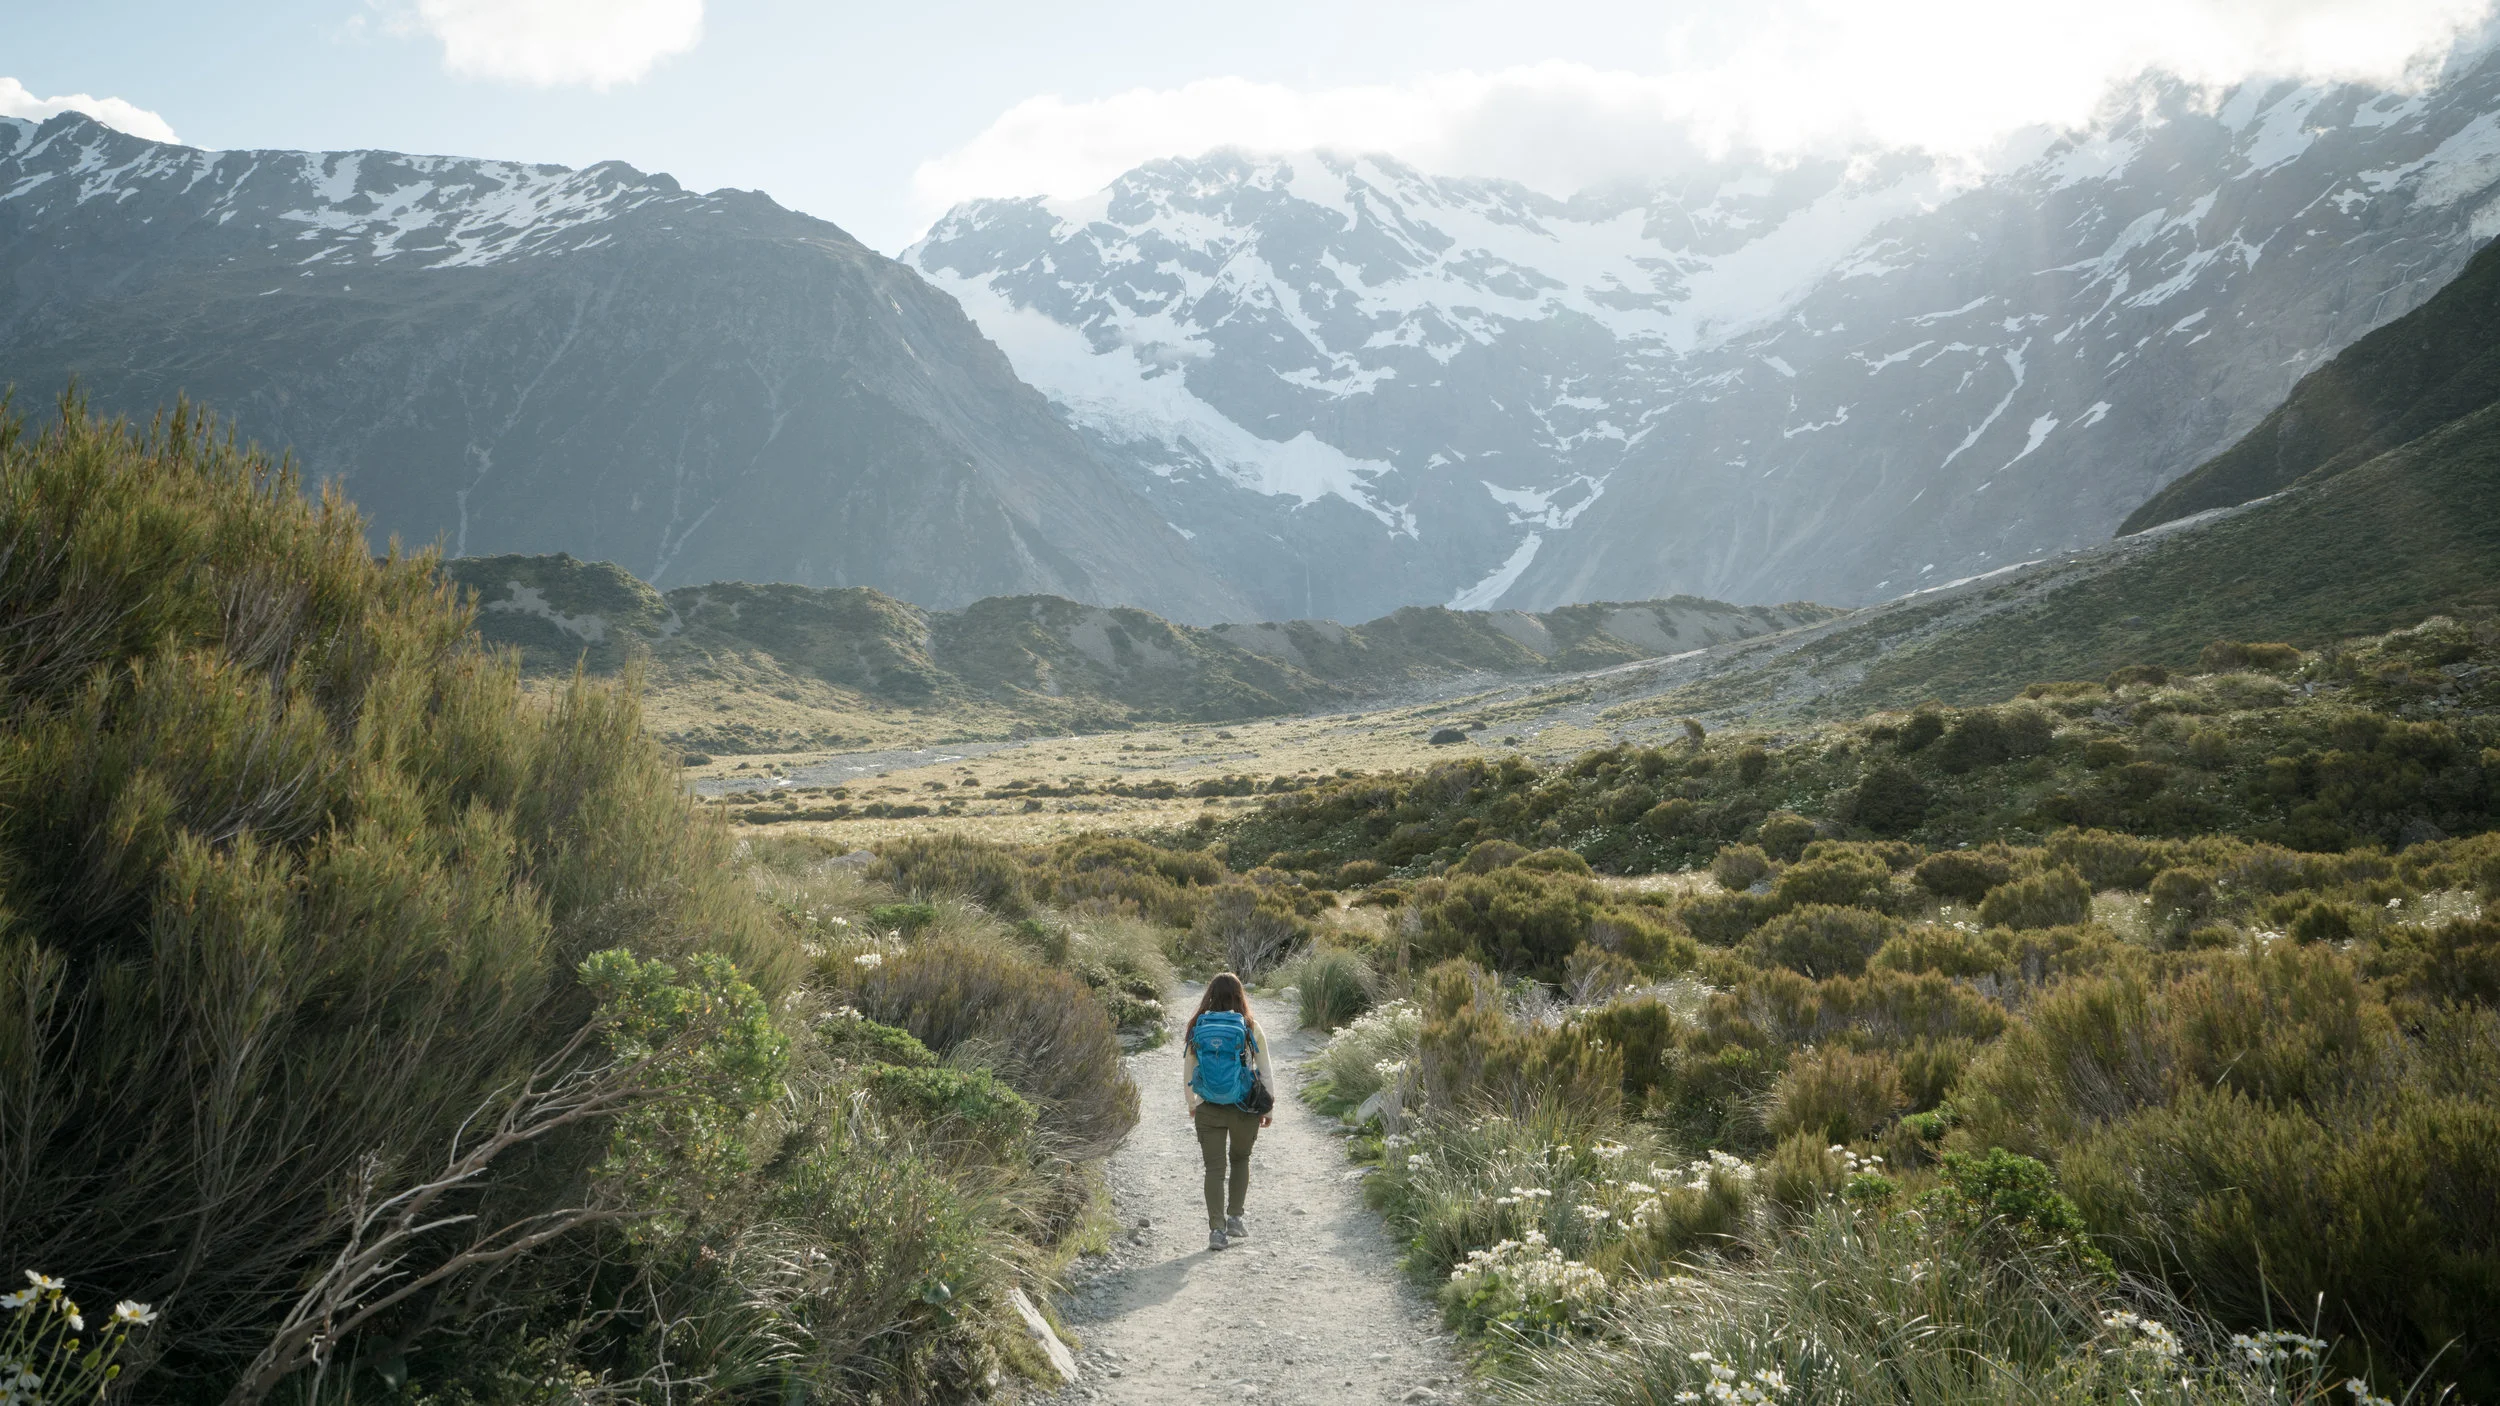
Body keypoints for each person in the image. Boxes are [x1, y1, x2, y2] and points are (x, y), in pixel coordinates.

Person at [1182, 973, 1274, 1251]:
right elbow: (1265, 1068)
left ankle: (1216, 1232)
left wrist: (1192, 1103)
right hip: (1244, 1106)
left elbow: (1188, 1069)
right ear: (1240, 995)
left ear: (1209, 994)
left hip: (1208, 1106)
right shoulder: (1249, 1026)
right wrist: (1268, 1107)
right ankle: (1235, 1218)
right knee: (1241, 1159)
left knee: (1213, 1169)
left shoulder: (1198, 1025)